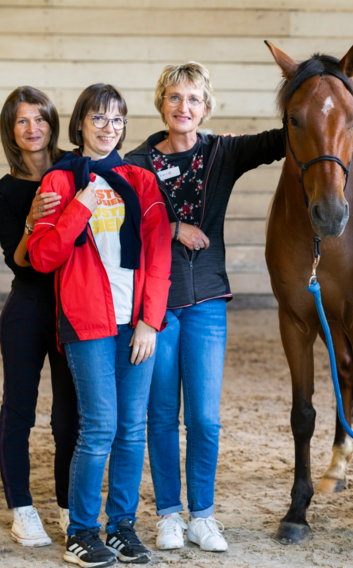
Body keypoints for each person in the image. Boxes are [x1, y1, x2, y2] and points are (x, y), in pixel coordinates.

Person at [123, 62, 285, 552]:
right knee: (161, 413)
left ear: (207, 107)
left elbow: (281, 140)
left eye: (193, 99)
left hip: (208, 299)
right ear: (161, 103)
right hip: (156, 305)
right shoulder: (137, 161)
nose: (183, 107)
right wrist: (171, 229)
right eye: (174, 97)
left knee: (205, 419)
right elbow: (126, 224)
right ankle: (169, 514)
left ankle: (203, 515)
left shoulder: (223, 151)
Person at [28, 84, 172, 567]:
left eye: (117, 120)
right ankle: (82, 531)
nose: (109, 129)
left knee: (133, 430)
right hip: (87, 322)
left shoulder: (140, 179)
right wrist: (80, 207)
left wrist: (151, 321)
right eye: (99, 119)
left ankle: (121, 527)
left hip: (135, 322)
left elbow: (158, 253)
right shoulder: (60, 180)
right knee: (100, 428)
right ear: (81, 124)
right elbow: (43, 257)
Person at [0, 86, 78, 548]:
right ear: (12, 130)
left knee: (69, 419)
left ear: (51, 122)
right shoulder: (3, 192)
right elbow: (20, 261)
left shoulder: (74, 168)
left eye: (39, 119)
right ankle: (22, 510)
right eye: (22, 121)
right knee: (19, 411)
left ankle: (66, 508)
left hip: (72, 309)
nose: (33, 128)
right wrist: (31, 219)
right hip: (26, 308)